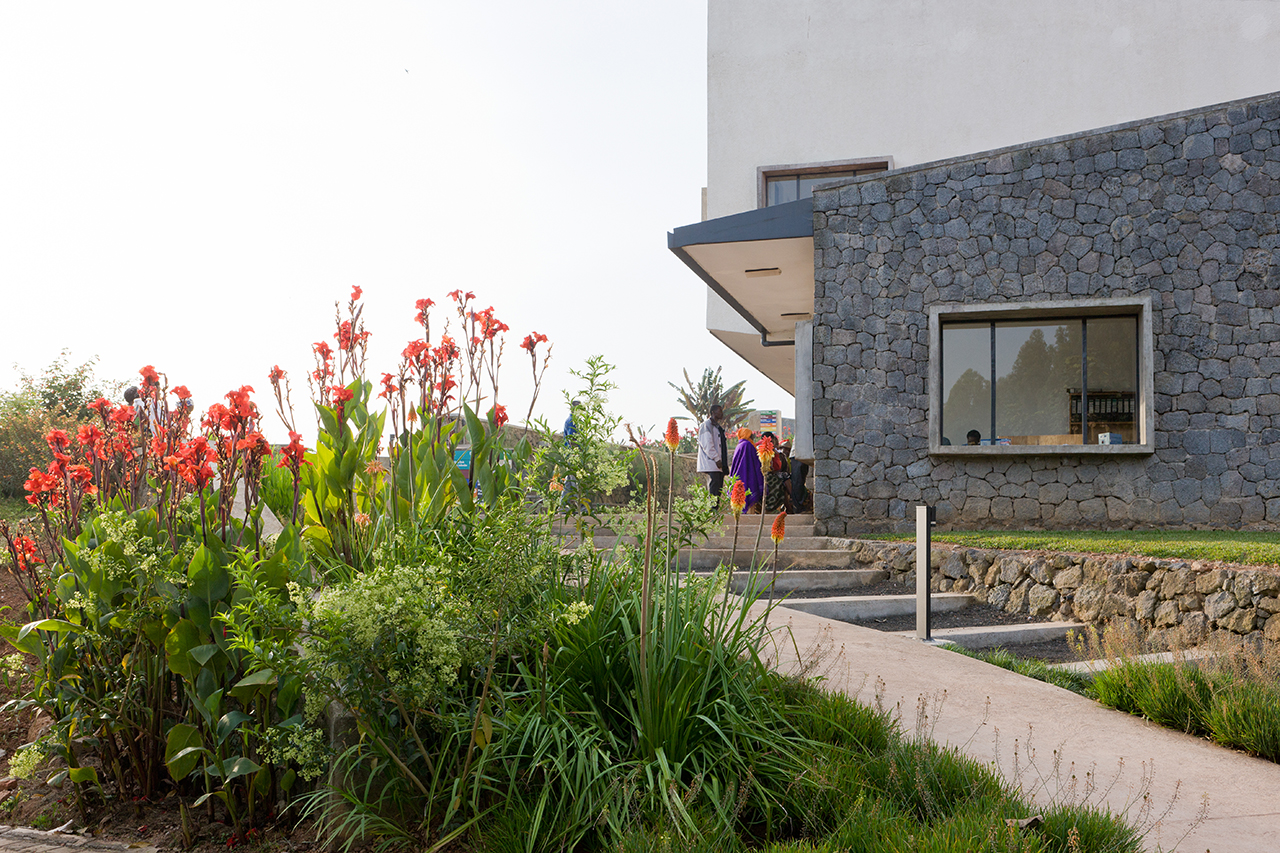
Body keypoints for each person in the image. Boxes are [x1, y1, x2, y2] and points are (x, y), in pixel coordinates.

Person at [696, 404, 728, 502]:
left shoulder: (717, 426)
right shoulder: (706, 425)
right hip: (712, 463)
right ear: (713, 412)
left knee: (718, 490)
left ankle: (715, 511)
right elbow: (707, 444)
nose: (722, 413)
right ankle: (711, 512)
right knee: (713, 489)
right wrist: (716, 458)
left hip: (718, 464)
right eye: (720, 411)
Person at [729, 427, 764, 513]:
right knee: (749, 497)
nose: (752, 438)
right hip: (749, 476)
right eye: (751, 436)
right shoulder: (748, 445)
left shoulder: (739, 446)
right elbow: (755, 462)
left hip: (738, 476)